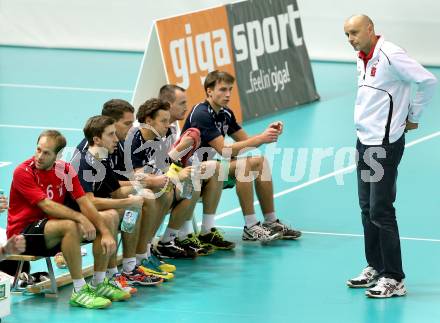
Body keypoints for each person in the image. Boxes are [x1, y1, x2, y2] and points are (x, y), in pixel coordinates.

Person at [343, 15, 437, 298]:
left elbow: (428, 81)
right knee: (366, 208)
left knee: (381, 210)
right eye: (347, 34)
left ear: (370, 29)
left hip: (383, 146)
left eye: (355, 33)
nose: (351, 39)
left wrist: (414, 115)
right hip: (365, 141)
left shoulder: (390, 54)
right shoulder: (362, 56)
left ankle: (394, 278)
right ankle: (376, 266)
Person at [182, 70, 302, 243]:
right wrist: (261, 139)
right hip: (192, 172)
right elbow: (225, 151)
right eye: (223, 89)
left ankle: (271, 221)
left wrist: (267, 132)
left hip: (213, 168)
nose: (228, 94)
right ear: (209, 91)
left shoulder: (225, 113)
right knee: (243, 166)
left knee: (260, 162)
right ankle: (251, 226)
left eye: (230, 89)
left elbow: (246, 141)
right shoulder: (201, 114)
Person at [6, 130, 117, 309]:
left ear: (58, 155)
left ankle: (99, 282)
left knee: (108, 217)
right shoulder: (24, 171)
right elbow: (46, 206)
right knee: (70, 225)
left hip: (52, 229)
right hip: (24, 234)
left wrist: (104, 231)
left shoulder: (65, 169)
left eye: (46, 153)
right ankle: (79, 291)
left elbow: (84, 201)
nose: (39, 156)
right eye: (38, 150)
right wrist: (80, 217)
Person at [72, 115, 166, 287]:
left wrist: (144, 187)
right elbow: (89, 202)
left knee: (134, 208)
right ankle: (106, 278)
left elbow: (116, 192)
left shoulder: (103, 158)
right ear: (97, 139)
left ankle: (130, 267)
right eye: (111, 135)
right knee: (114, 214)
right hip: (77, 216)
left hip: (93, 212)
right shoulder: (84, 163)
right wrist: (127, 202)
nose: (116, 139)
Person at [159, 85, 234, 251]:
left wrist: (182, 169)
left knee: (212, 169)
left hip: (167, 177)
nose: (187, 107)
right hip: (154, 182)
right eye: (182, 103)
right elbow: (155, 166)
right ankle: (172, 239)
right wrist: (179, 156)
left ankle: (201, 233)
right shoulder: (151, 130)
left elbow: (171, 164)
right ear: (169, 105)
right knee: (191, 180)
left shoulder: (172, 128)